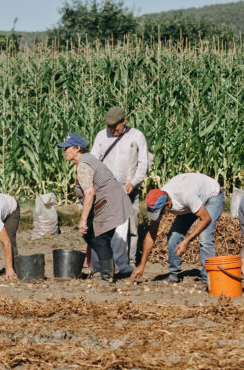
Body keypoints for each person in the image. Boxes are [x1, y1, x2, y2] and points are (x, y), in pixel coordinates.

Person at [59, 133, 135, 282]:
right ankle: (109, 271)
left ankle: (107, 277)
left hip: (109, 205)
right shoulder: (89, 160)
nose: (64, 151)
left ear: (77, 148)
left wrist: (83, 219)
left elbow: (89, 193)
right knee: (93, 235)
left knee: (98, 237)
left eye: (67, 148)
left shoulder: (83, 164)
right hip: (111, 202)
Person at [90, 106, 150, 276]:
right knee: (102, 225)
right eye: (109, 127)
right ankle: (101, 264)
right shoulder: (102, 136)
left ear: (123, 121)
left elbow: (142, 163)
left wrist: (133, 182)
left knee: (130, 226)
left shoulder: (137, 136)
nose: (112, 130)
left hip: (127, 187)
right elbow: (94, 160)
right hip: (105, 188)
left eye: (115, 127)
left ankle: (127, 264)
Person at [132, 173, 224, 283]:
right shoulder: (159, 198)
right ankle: (174, 275)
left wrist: (187, 241)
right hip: (191, 201)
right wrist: (142, 265)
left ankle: (208, 279)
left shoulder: (185, 195)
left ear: (167, 204)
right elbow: (152, 234)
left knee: (205, 237)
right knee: (173, 238)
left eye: (160, 212)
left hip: (211, 196)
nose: (159, 215)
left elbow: (206, 219)